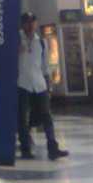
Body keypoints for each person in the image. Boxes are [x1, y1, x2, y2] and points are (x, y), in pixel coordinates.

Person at [18, 12, 68, 161]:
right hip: (22, 83)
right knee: (23, 118)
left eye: (33, 22)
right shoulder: (16, 40)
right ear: (22, 24)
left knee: (47, 116)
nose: (30, 25)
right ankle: (25, 148)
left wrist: (49, 84)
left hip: (39, 83)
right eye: (27, 22)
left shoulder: (41, 42)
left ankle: (53, 148)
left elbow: (45, 65)